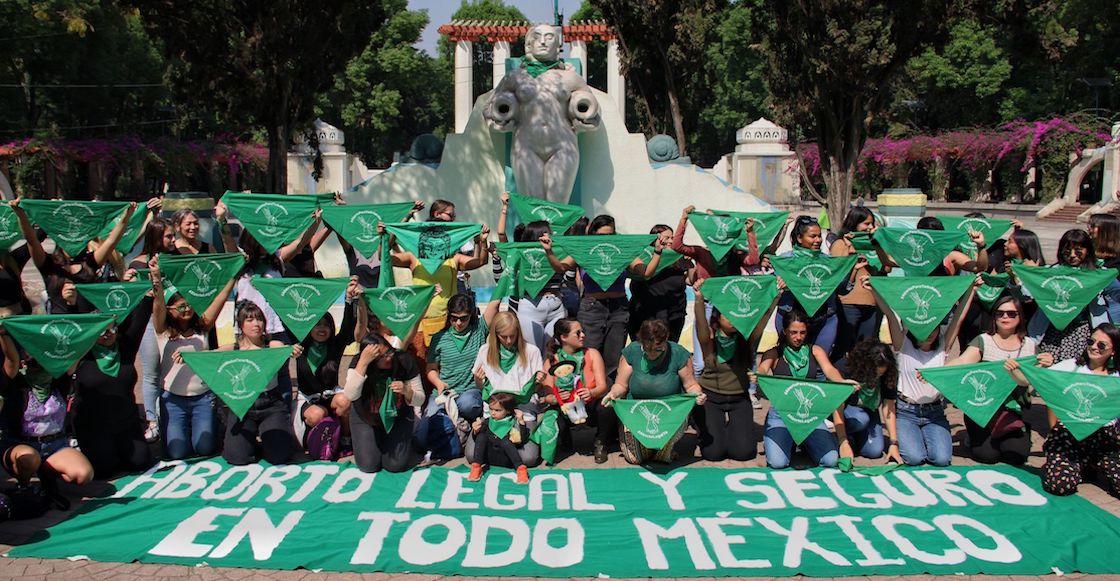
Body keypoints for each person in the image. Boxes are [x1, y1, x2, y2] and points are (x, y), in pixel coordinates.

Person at [872, 273, 975, 466]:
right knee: (914, 457)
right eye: (922, 329)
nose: (928, 334)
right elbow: (890, 315)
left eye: (933, 328)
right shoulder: (903, 345)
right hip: (906, 411)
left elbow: (959, 318)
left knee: (942, 459)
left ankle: (928, 436)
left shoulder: (943, 346)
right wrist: (874, 289)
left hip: (934, 412)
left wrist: (972, 289)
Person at [546, 214, 660, 380]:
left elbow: (646, 272)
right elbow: (560, 268)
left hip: (618, 308)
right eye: (601, 235)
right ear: (593, 234)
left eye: (609, 235)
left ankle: (606, 400)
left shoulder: (621, 249)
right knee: (588, 356)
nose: (605, 239)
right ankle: (587, 397)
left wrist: (657, 252)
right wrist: (548, 251)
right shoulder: (584, 249)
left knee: (613, 360)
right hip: (592, 308)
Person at [946, 295, 1053, 465]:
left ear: (1020, 317)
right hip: (984, 408)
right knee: (987, 456)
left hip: (1015, 409)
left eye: (1011, 314)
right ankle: (974, 436)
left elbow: (1030, 384)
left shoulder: (1030, 346)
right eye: (1000, 313)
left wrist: (1045, 366)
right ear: (993, 317)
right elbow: (961, 363)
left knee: (1015, 456)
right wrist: (933, 372)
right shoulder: (984, 341)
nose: (1005, 317)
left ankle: (1011, 435)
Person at [150, 255, 234, 460]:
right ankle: (180, 429)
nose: (187, 309)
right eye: (180, 306)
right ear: (170, 311)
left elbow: (221, 299)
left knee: (204, 449)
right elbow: (158, 306)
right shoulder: (164, 331)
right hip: (172, 400)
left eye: (189, 305)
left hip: (203, 398)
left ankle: (208, 426)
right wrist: (157, 281)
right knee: (177, 452)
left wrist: (233, 274)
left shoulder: (202, 327)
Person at [0, 329, 94, 507]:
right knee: (29, 458)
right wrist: (3, 334)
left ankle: (46, 475)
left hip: (54, 444)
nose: (41, 367)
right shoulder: (15, 384)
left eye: (45, 362)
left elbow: (76, 355)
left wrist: (95, 328)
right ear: (24, 364)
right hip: (20, 444)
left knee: (83, 474)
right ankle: (25, 486)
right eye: (35, 362)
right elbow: (11, 360)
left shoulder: (59, 382)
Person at [382, 213, 489, 358]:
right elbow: (384, 257)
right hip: (420, 321)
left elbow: (480, 261)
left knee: (447, 362)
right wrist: (395, 230)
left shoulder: (453, 258)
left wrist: (480, 241)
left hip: (448, 321)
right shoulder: (413, 257)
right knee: (422, 362)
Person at [71, 292, 154, 478]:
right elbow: (71, 326)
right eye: (101, 330)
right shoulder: (82, 352)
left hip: (125, 422)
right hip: (94, 425)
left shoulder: (125, 348)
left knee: (140, 461)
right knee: (103, 470)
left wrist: (147, 296)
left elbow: (139, 323)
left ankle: (118, 448)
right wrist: (73, 300)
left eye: (111, 329)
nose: (107, 334)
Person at [691, 282, 777, 462]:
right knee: (714, 454)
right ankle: (707, 426)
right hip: (711, 398)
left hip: (739, 399)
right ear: (717, 318)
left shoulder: (747, 338)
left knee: (743, 453)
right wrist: (699, 299)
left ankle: (732, 428)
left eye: (734, 315)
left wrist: (776, 296)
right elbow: (701, 324)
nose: (732, 319)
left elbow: (764, 318)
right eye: (727, 315)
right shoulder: (709, 341)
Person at [757, 309, 853, 468]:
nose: (798, 337)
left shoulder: (815, 350)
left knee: (830, 460)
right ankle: (785, 441)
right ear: (785, 331)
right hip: (781, 414)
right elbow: (762, 368)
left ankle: (805, 444)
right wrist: (757, 374)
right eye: (793, 332)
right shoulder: (775, 352)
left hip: (810, 416)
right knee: (778, 463)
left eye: (802, 332)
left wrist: (842, 382)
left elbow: (829, 370)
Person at [602, 319, 704, 465]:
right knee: (634, 459)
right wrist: (613, 394)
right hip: (637, 411)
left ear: (666, 340)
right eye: (647, 349)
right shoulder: (632, 351)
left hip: (669, 412)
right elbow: (620, 385)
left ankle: (662, 449)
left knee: (662, 458)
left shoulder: (678, 353)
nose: (652, 354)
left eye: (658, 349)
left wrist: (698, 395)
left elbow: (691, 385)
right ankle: (650, 446)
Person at [1037, 323, 1120, 496]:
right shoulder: (1070, 366)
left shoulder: (1117, 376)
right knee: (1060, 485)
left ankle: (1087, 465)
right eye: (1091, 341)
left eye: (1101, 345)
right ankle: (1072, 465)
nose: (1094, 347)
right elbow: (1046, 388)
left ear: (1113, 351)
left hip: (1104, 439)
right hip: (1069, 434)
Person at [16, 200, 139, 314]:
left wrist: (127, 216)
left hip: (85, 327)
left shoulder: (90, 262)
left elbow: (111, 241)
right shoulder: (49, 264)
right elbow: (32, 240)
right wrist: (21, 214)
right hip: (60, 325)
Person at [217, 301, 300, 466]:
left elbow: (283, 349)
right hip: (242, 406)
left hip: (271, 404)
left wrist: (291, 350)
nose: (256, 324)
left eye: (259, 319)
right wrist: (186, 355)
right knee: (237, 459)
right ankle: (247, 443)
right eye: (249, 320)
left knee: (280, 456)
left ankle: (267, 442)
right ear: (241, 325)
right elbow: (207, 356)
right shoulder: (233, 348)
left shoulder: (272, 345)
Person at [423, 294, 500, 455]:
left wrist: (507, 273)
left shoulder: (479, 329)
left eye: (463, 318)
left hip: (469, 391)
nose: (458, 323)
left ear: (471, 315)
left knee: (469, 404)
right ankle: (456, 423)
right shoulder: (439, 338)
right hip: (444, 392)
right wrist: (438, 383)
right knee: (420, 436)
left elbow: (494, 303)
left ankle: (451, 419)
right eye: (454, 318)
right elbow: (431, 368)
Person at [774, 215, 860, 356]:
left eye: (819, 236)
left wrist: (853, 268)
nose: (818, 240)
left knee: (819, 366)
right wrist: (779, 286)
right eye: (813, 236)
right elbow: (772, 289)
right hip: (792, 318)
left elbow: (842, 290)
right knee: (792, 364)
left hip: (825, 320)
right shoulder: (784, 261)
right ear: (800, 238)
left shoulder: (828, 261)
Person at [468, 311, 544, 467]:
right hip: (493, 416)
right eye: (504, 336)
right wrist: (478, 379)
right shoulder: (485, 351)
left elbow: (535, 389)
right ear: (495, 335)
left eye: (512, 335)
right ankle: (504, 452)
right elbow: (482, 390)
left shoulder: (532, 351)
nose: (509, 341)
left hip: (522, 415)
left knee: (529, 458)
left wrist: (539, 382)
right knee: (470, 455)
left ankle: (499, 452)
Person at [1023, 229, 1108, 364]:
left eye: (1078, 250)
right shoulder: (1051, 272)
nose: (1072, 255)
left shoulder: (1099, 274)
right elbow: (1026, 296)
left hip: (1083, 332)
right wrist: (1025, 275)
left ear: (1088, 250)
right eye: (1068, 251)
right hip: (1052, 332)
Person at [343, 332, 425, 473]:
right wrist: (363, 364)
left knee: (394, 465)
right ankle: (374, 443)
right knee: (368, 465)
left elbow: (420, 398)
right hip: (366, 418)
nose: (388, 359)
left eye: (389, 353)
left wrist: (407, 391)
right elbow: (351, 395)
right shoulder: (360, 362)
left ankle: (399, 443)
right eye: (381, 357)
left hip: (398, 417)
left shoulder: (403, 360)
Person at [131, 216, 178, 443]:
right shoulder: (139, 264)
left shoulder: (178, 259)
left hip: (174, 323)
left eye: (173, 235)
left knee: (173, 372)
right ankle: (152, 422)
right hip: (149, 323)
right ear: (156, 237)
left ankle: (173, 419)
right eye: (168, 236)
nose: (173, 240)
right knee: (151, 374)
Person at [541, 318, 609, 462]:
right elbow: (548, 396)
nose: (583, 335)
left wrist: (591, 392)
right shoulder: (552, 360)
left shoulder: (592, 353)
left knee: (607, 407)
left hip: (589, 404)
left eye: (582, 331)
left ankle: (600, 442)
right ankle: (565, 442)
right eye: (578, 333)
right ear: (564, 337)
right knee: (553, 417)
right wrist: (557, 397)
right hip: (566, 407)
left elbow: (603, 386)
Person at [829, 206, 890, 363]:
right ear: (854, 223)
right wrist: (850, 246)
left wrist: (879, 242)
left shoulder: (876, 244)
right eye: (866, 224)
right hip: (849, 305)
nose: (870, 227)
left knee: (868, 349)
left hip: (873, 304)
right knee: (843, 346)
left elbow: (887, 267)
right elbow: (838, 270)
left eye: (872, 224)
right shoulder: (840, 243)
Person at [837, 339, 902, 462]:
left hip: (870, 410)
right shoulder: (846, 368)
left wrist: (894, 443)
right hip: (847, 410)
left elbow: (889, 407)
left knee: (874, 451)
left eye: (881, 374)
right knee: (861, 420)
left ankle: (856, 439)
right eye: (874, 373)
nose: (878, 377)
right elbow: (837, 407)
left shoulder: (889, 373)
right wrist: (842, 440)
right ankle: (842, 436)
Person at [629, 225, 693, 342]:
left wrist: (690, 264)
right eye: (667, 237)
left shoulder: (677, 258)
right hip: (647, 315)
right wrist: (657, 253)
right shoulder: (645, 256)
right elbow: (645, 273)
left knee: (670, 350)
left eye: (672, 238)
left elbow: (690, 281)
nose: (671, 241)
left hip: (674, 314)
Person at [468, 392, 531, 484]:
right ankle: (476, 467)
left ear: (508, 411)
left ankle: (521, 469)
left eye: (497, 410)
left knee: (506, 441)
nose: (493, 413)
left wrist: (521, 422)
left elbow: (522, 440)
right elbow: (477, 440)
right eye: (491, 409)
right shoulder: (488, 421)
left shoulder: (513, 423)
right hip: (489, 457)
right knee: (481, 437)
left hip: (506, 457)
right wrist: (475, 431)